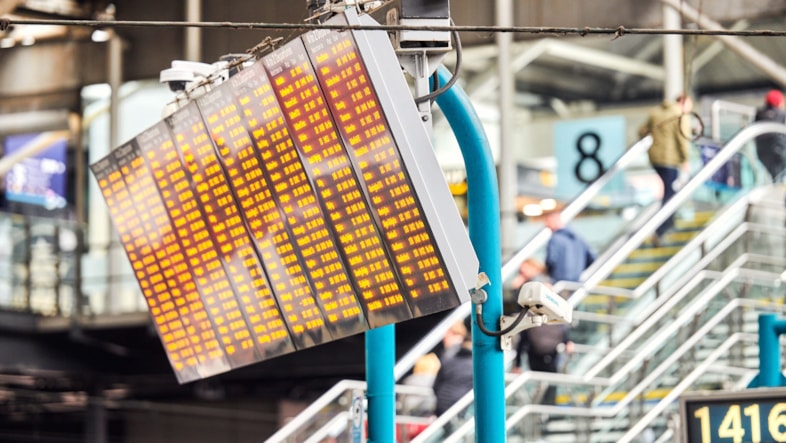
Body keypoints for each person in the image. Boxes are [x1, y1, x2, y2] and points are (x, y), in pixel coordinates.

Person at [638, 94, 694, 244]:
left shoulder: (655, 111)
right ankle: (661, 229)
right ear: (683, 102)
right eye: (689, 104)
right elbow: (683, 139)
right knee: (670, 195)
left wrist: (654, 143)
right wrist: (685, 159)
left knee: (669, 192)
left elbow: (642, 131)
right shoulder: (680, 115)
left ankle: (670, 223)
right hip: (671, 160)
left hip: (655, 159)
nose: (690, 108)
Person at [543, 209, 597, 285]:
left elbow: (551, 260)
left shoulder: (555, 239)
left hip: (559, 282)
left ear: (555, 220)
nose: (546, 225)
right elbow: (592, 258)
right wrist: (577, 270)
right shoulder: (578, 238)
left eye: (547, 222)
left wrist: (549, 273)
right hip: (576, 282)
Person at [432, 322, 473, 417]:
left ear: (457, 335)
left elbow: (436, 385)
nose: (444, 340)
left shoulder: (449, 357)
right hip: (461, 405)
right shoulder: (473, 363)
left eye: (447, 336)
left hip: (443, 405)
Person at [753, 89, 786, 182]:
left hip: (761, 151)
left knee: (773, 175)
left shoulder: (759, 114)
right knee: (780, 174)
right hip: (779, 150)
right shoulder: (782, 115)